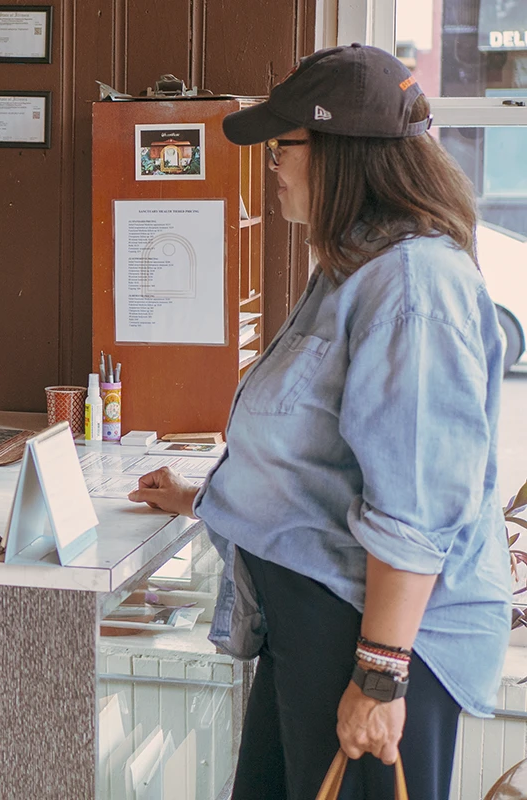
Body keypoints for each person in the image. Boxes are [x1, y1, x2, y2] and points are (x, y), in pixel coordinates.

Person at [129, 45, 510, 799]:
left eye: (284, 147)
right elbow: (320, 460)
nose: (272, 166)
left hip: (372, 639)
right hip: (316, 625)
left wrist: (380, 673)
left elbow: (417, 504)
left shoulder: (411, 286)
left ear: (342, 155)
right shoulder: (350, 268)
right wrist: (204, 497)